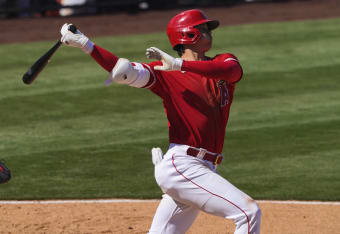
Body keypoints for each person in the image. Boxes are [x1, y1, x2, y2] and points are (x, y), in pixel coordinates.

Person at [60, 9, 261, 234]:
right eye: (203, 28)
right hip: (184, 166)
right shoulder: (164, 73)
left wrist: (179, 64)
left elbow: (232, 70)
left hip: (202, 169)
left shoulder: (222, 62)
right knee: (248, 213)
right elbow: (123, 70)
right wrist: (86, 44)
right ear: (188, 35)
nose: (209, 33)